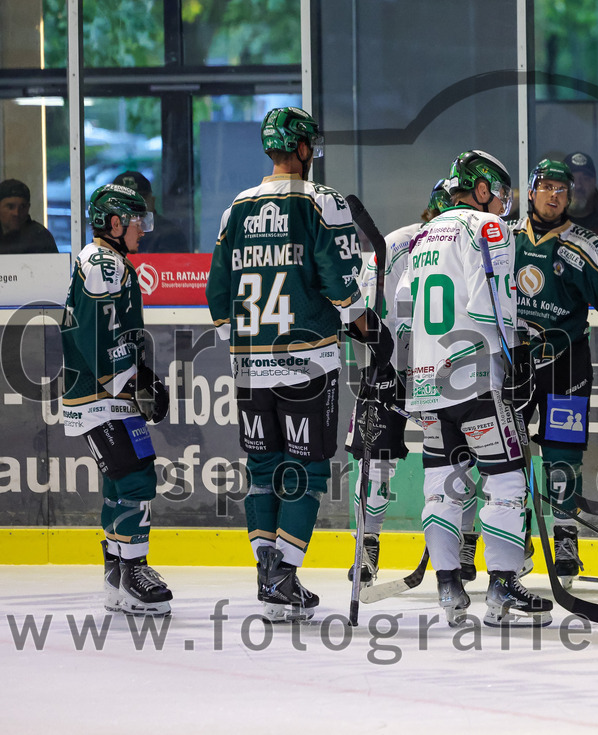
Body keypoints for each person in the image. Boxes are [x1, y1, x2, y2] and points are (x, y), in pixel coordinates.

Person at [206, 106, 391, 623]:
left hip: (249, 363)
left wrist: (240, 344)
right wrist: (368, 328)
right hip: (307, 361)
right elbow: (338, 278)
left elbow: (217, 291)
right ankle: (284, 576)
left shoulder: (235, 208)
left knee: (263, 468)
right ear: (303, 148)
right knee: (305, 470)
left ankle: (269, 573)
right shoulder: (320, 200)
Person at [401, 149, 553, 627]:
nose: (504, 204)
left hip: (427, 382)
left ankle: (448, 587)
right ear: (482, 189)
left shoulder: (424, 235)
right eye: (501, 193)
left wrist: (407, 374)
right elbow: (491, 305)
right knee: (506, 482)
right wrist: (515, 358)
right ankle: (502, 587)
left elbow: (402, 310)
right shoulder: (486, 227)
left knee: (441, 486)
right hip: (475, 378)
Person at [60, 184, 172, 616]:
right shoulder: (103, 263)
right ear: (114, 223)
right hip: (101, 394)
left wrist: (136, 377)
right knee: (135, 477)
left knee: (120, 481)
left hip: (106, 393)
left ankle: (117, 575)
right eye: (136, 221)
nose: (142, 229)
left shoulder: (107, 261)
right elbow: (98, 334)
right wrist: (133, 380)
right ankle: (133, 573)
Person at [345, 179, 457, 587]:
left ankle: (461, 546)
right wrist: (375, 348)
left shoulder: (467, 247)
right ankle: (367, 545)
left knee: (456, 461)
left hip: (443, 374)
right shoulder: (395, 245)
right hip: (389, 368)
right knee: (375, 461)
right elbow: (356, 310)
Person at [510, 158, 598, 588]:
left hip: (566, 363)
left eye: (561, 189)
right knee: (507, 455)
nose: (554, 195)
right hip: (512, 361)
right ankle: (515, 539)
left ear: (570, 197)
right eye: (546, 186)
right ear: (531, 191)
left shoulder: (586, 245)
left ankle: (565, 541)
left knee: (562, 456)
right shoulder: (504, 237)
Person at [112, 171, 188, 253]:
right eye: (124, 201)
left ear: (152, 201)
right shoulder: (108, 232)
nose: (132, 206)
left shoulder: (170, 233)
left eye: (141, 200)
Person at [564, 151, 598, 244]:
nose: (578, 186)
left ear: (594, 182)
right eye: (572, 179)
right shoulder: (552, 216)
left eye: (585, 179)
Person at [0, 178, 58, 254]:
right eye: (10, 207)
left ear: (28, 208)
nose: (16, 213)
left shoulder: (40, 237)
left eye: (22, 207)